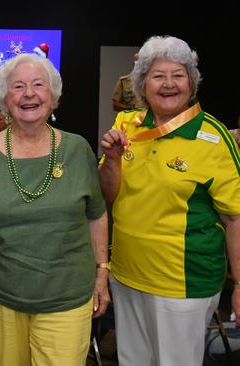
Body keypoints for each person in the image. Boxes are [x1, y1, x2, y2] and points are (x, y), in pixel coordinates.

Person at [99, 35, 240, 366]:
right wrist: (114, 160)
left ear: (191, 83)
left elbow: (235, 218)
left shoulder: (214, 137)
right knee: (132, 360)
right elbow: (109, 194)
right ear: (142, 83)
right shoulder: (126, 124)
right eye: (157, 75)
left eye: (178, 74)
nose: (168, 84)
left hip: (182, 284)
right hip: (126, 275)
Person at [0, 53, 110, 366]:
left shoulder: (78, 149)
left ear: (53, 95)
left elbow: (96, 214)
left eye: (38, 85)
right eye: (18, 86)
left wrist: (102, 272)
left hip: (68, 297)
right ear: (4, 98)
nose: (29, 93)